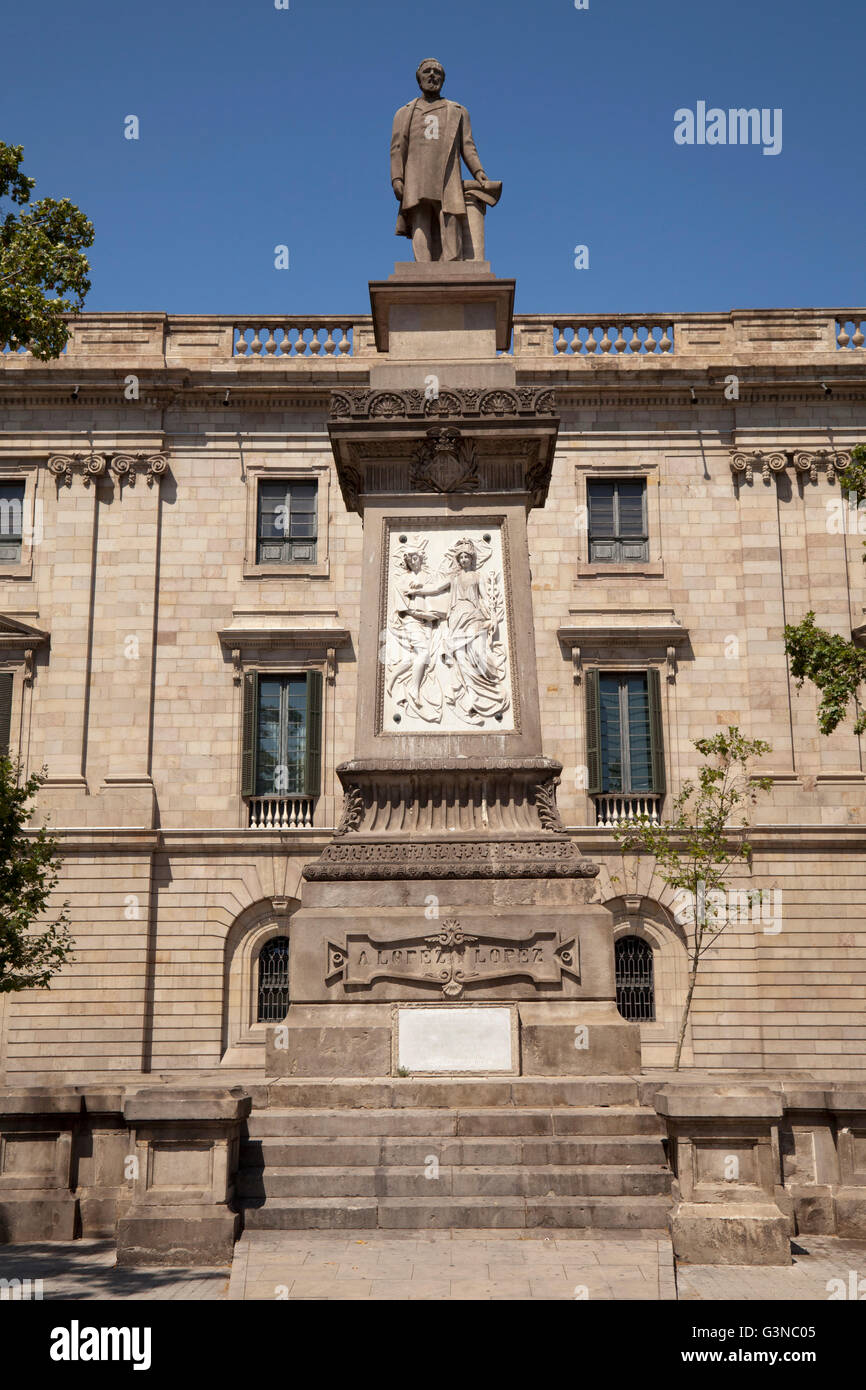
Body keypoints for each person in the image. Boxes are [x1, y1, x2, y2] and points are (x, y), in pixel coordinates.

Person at [390, 58, 494, 262]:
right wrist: (397, 178)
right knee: (420, 218)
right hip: (416, 174)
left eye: (437, 73)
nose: (432, 75)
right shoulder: (405, 112)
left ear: (443, 80)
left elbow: (468, 145)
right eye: (427, 71)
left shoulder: (456, 110)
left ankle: (452, 262)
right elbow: (397, 148)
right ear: (418, 78)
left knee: (450, 216)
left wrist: (479, 172)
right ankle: (423, 264)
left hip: (447, 173)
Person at [408, 538, 510, 725]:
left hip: (473, 616)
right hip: (456, 618)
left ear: (471, 559)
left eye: (466, 557)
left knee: (478, 655)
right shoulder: (453, 577)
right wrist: (419, 589)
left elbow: (485, 598)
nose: (463, 560)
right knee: (461, 660)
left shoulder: (477, 576)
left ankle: (490, 690)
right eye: (461, 557)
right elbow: (436, 588)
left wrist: (493, 617)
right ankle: (472, 698)